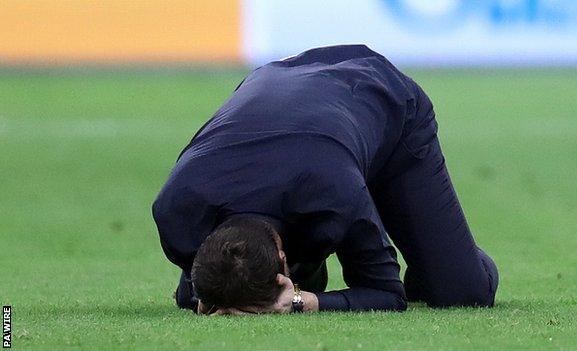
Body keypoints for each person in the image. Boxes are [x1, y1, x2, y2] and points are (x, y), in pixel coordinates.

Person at [152, 45, 498, 315]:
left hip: (383, 104)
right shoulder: (176, 211)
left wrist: (302, 300)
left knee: (462, 291)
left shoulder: (331, 193)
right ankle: (313, 263)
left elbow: (386, 294)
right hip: (293, 100)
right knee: (194, 296)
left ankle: (442, 256)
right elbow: (198, 293)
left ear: (281, 257)